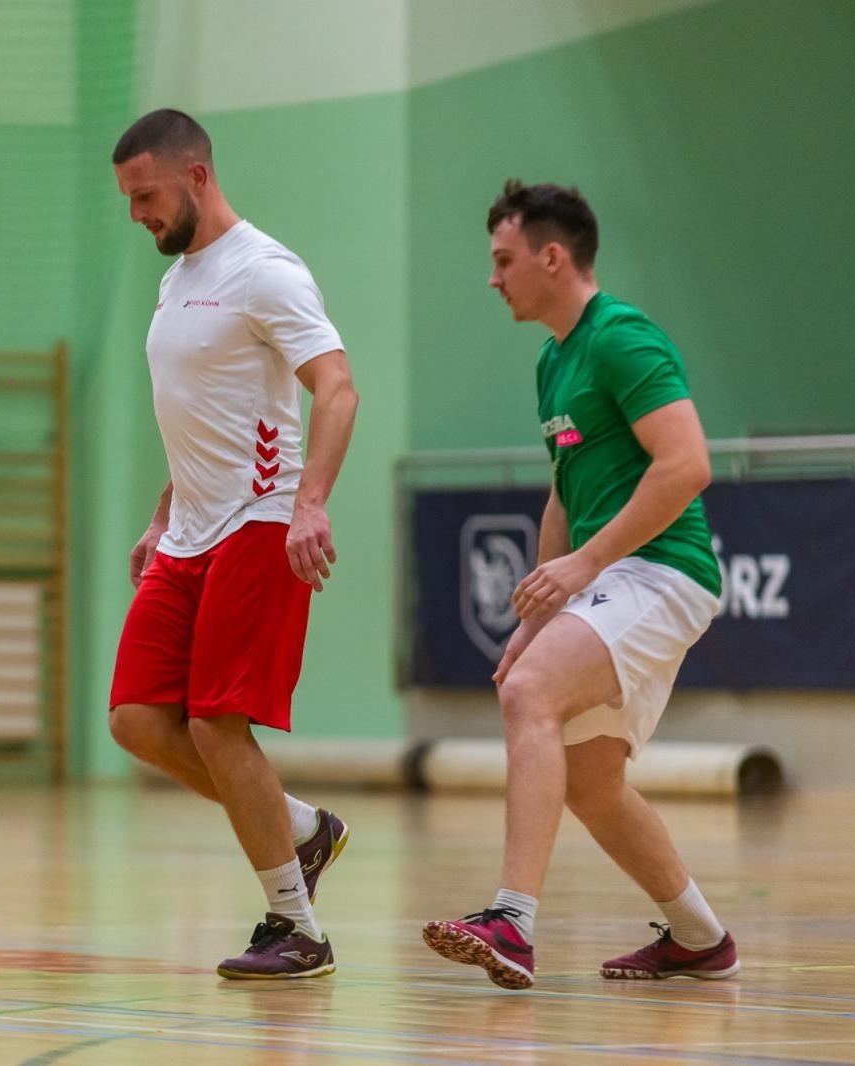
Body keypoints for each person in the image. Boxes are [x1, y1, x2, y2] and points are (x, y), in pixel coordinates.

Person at [422, 182, 737, 989]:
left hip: (663, 570)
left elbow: (687, 464)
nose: (493, 278)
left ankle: (512, 922)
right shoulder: (553, 361)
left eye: (504, 260)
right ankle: (700, 938)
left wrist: (586, 566)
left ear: (553, 257)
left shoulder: (621, 338)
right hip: (617, 576)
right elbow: (564, 494)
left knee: (529, 693)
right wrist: (540, 613)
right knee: (593, 784)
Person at [108, 109, 360, 979]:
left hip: (260, 519)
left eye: (146, 195)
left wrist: (310, 503)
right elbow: (200, 418)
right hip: (188, 532)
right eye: (128, 199)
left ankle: (298, 927)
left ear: (197, 177)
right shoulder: (176, 280)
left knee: (216, 724)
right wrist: (159, 516)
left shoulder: (266, 272)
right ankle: (300, 829)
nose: (137, 214)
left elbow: (336, 387)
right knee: (138, 721)